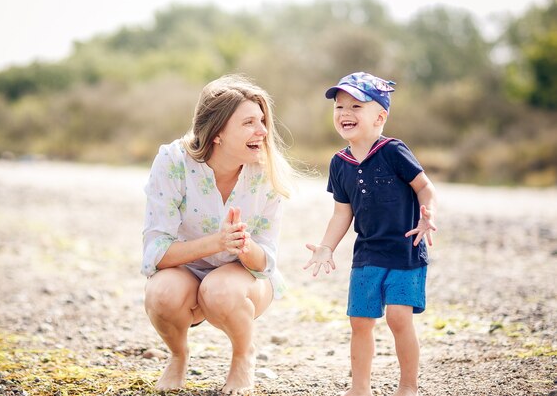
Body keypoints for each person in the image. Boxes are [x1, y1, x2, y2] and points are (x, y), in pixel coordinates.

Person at [142, 74, 295, 395]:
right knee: (161, 294)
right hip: (184, 271)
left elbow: (265, 264)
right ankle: (178, 355)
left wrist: (242, 244)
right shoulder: (172, 161)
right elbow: (156, 253)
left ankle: (243, 357)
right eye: (250, 122)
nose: (263, 131)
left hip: (242, 279)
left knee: (220, 290)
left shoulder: (267, 172)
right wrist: (216, 242)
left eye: (263, 120)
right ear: (218, 132)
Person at [303, 72, 437, 396]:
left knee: (398, 318)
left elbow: (424, 187)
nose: (345, 113)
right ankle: (359, 388)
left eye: (355, 106)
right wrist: (326, 246)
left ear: (380, 117)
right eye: (339, 106)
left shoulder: (393, 150)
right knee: (360, 322)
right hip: (367, 254)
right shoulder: (339, 162)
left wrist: (427, 215)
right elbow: (341, 213)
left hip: (406, 250)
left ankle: (408, 387)